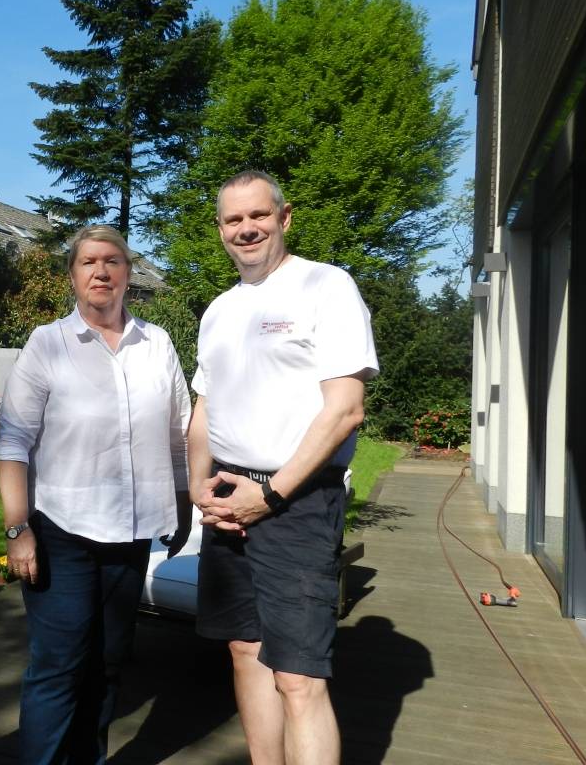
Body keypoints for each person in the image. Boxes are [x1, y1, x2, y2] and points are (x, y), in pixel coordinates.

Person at [189, 170, 378, 765]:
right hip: (227, 496)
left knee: (298, 677)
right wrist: (198, 484)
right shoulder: (220, 310)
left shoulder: (326, 286)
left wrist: (270, 495)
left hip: (295, 501)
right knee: (245, 651)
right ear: (219, 229)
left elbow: (345, 410)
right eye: (232, 220)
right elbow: (204, 407)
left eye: (258, 216)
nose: (245, 229)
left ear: (285, 217)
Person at [0, 225, 191, 764]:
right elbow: (13, 441)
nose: (101, 271)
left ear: (128, 273)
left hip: (130, 535)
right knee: (59, 667)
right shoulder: (48, 343)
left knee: (107, 663)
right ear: (73, 276)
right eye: (88, 262)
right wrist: (18, 528)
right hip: (61, 530)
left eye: (112, 261)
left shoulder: (158, 345)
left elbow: (180, 436)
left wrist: (181, 507)